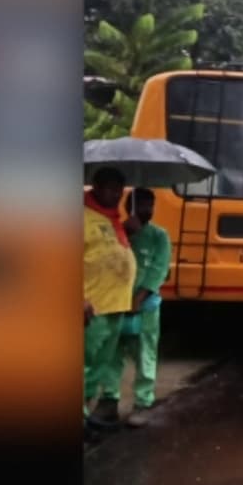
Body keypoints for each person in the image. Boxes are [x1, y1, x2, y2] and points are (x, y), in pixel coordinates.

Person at [98, 188, 171, 428]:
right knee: (111, 355)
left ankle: (143, 402)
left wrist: (138, 300)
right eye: (141, 205)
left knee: (144, 354)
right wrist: (125, 236)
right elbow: (104, 263)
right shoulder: (115, 232)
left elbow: (158, 270)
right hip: (114, 305)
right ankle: (109, 401)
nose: (146, 211)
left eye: (150, 206)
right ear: (128, 206)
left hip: (146, 308)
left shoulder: (160, 236)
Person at [84, 167, 137, 428]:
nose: (113, 193)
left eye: (118, 188)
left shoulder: (113, 218)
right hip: (91, 307)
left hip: (115, 306)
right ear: (94, 185)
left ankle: (84, 416)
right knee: (84, 366)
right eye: (107, 186)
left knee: (98, 368)